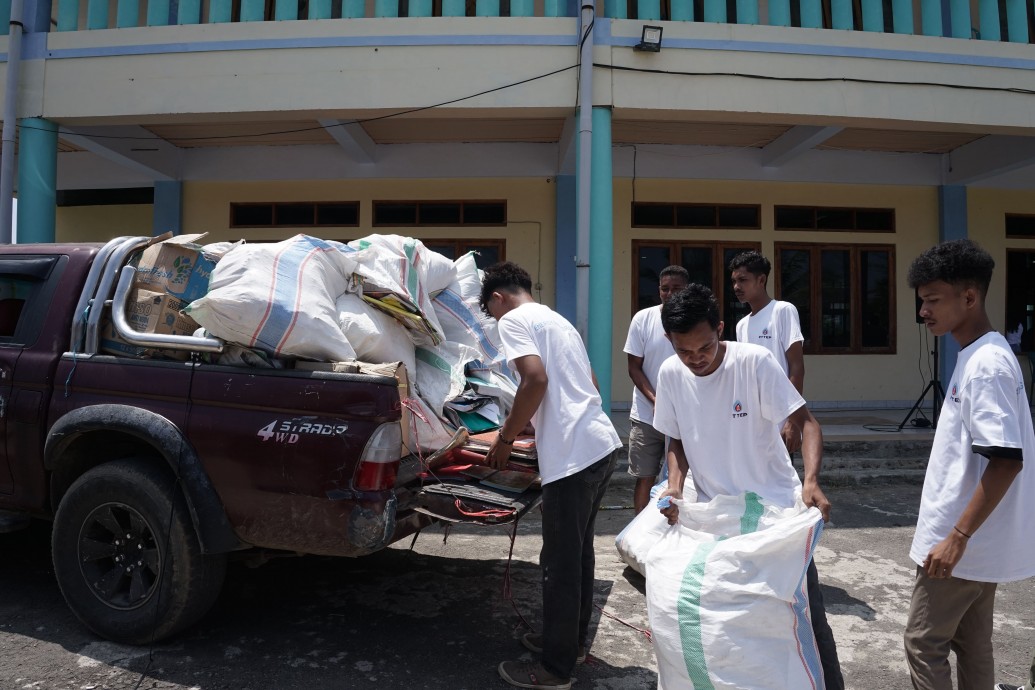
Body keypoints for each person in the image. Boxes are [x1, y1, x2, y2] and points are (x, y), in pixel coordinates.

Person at [652, 283, 844, 690]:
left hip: (774, 512)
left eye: (704, 348)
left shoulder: (754, 363)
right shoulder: (671, 373)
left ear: (720, 329)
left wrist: (810, 482)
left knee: (801, 612)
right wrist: (674, 486)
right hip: (715, 516)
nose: (696, 360)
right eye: (684, 351)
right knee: (723, 618)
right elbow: (677, 439)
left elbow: (807, 423)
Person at [480, 261, 622, 690]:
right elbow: (591, 385)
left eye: (492, 310)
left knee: (558, 564)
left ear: (499, 298)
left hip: (574, 458)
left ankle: (555, 670)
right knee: (577, 555)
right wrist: (536, 421)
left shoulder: (514, 321)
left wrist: (505, 438)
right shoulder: (558, 320)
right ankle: (571, 643)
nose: (496, 319)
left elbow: (534, 379)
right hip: (601, 444)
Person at [902, 239, 1035, 690]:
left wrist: (956, 537)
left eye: (933, 300)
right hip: (974, 539)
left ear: (970, 297)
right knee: (972, 644)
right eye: (922, 301)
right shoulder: (981, 355)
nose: (924, 312)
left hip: (960, 541)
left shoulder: (986, 365)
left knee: (924, 643)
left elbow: (1005, 461)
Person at [623, 265, 689, 513]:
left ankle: (675, 533)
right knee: (645, 477)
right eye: (665, 289)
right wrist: (656, 400)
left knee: (681, 479)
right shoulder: (643, 318)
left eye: (676, 289)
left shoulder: (695, 320)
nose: (670, 293)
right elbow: (634, 367)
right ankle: (639, 534)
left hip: (685, 417)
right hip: (646, 417)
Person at [729, 250, 806, 452]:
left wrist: (792, 421)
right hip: (752, 420)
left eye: (743, 280)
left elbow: (796, 368)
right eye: (734, 281)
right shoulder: (742, 325)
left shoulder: (782, 311)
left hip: (780, 418)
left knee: (782, 481)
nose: (736, 287)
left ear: (761, 279)